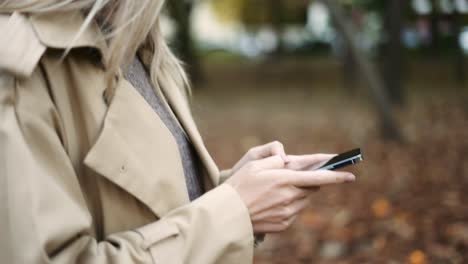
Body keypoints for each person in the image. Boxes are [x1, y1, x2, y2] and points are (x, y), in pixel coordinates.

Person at [0, 1, 356, 263]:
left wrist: (233, 187)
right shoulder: (19, 68)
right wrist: (233, 211)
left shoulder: (139, 43)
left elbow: (147, 206)